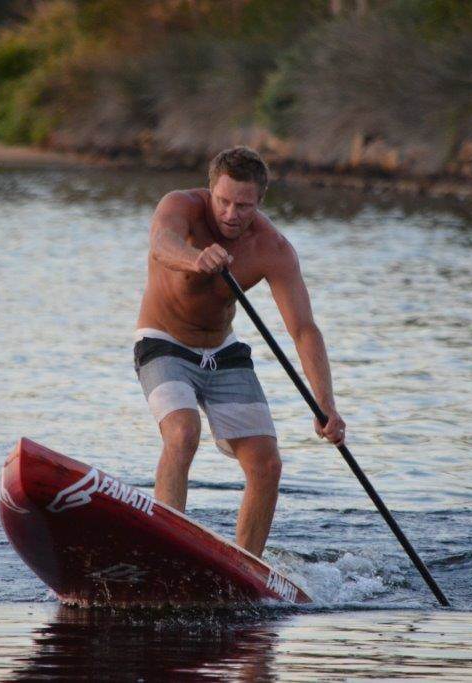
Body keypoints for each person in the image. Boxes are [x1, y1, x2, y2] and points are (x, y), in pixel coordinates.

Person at [134, 146, 346, 557]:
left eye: (244, 206)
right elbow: (161, 243)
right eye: (223, 201)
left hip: (222, 352)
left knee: (267, 464)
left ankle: (247, 567)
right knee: (183, 432)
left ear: (260, 201)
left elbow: (303, 330)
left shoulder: (272, 248)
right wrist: (195, 258)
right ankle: (164, 548)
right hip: (163, 342)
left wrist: (326, 405)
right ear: (210, 189)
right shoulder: (180, 206)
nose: (231, 214)